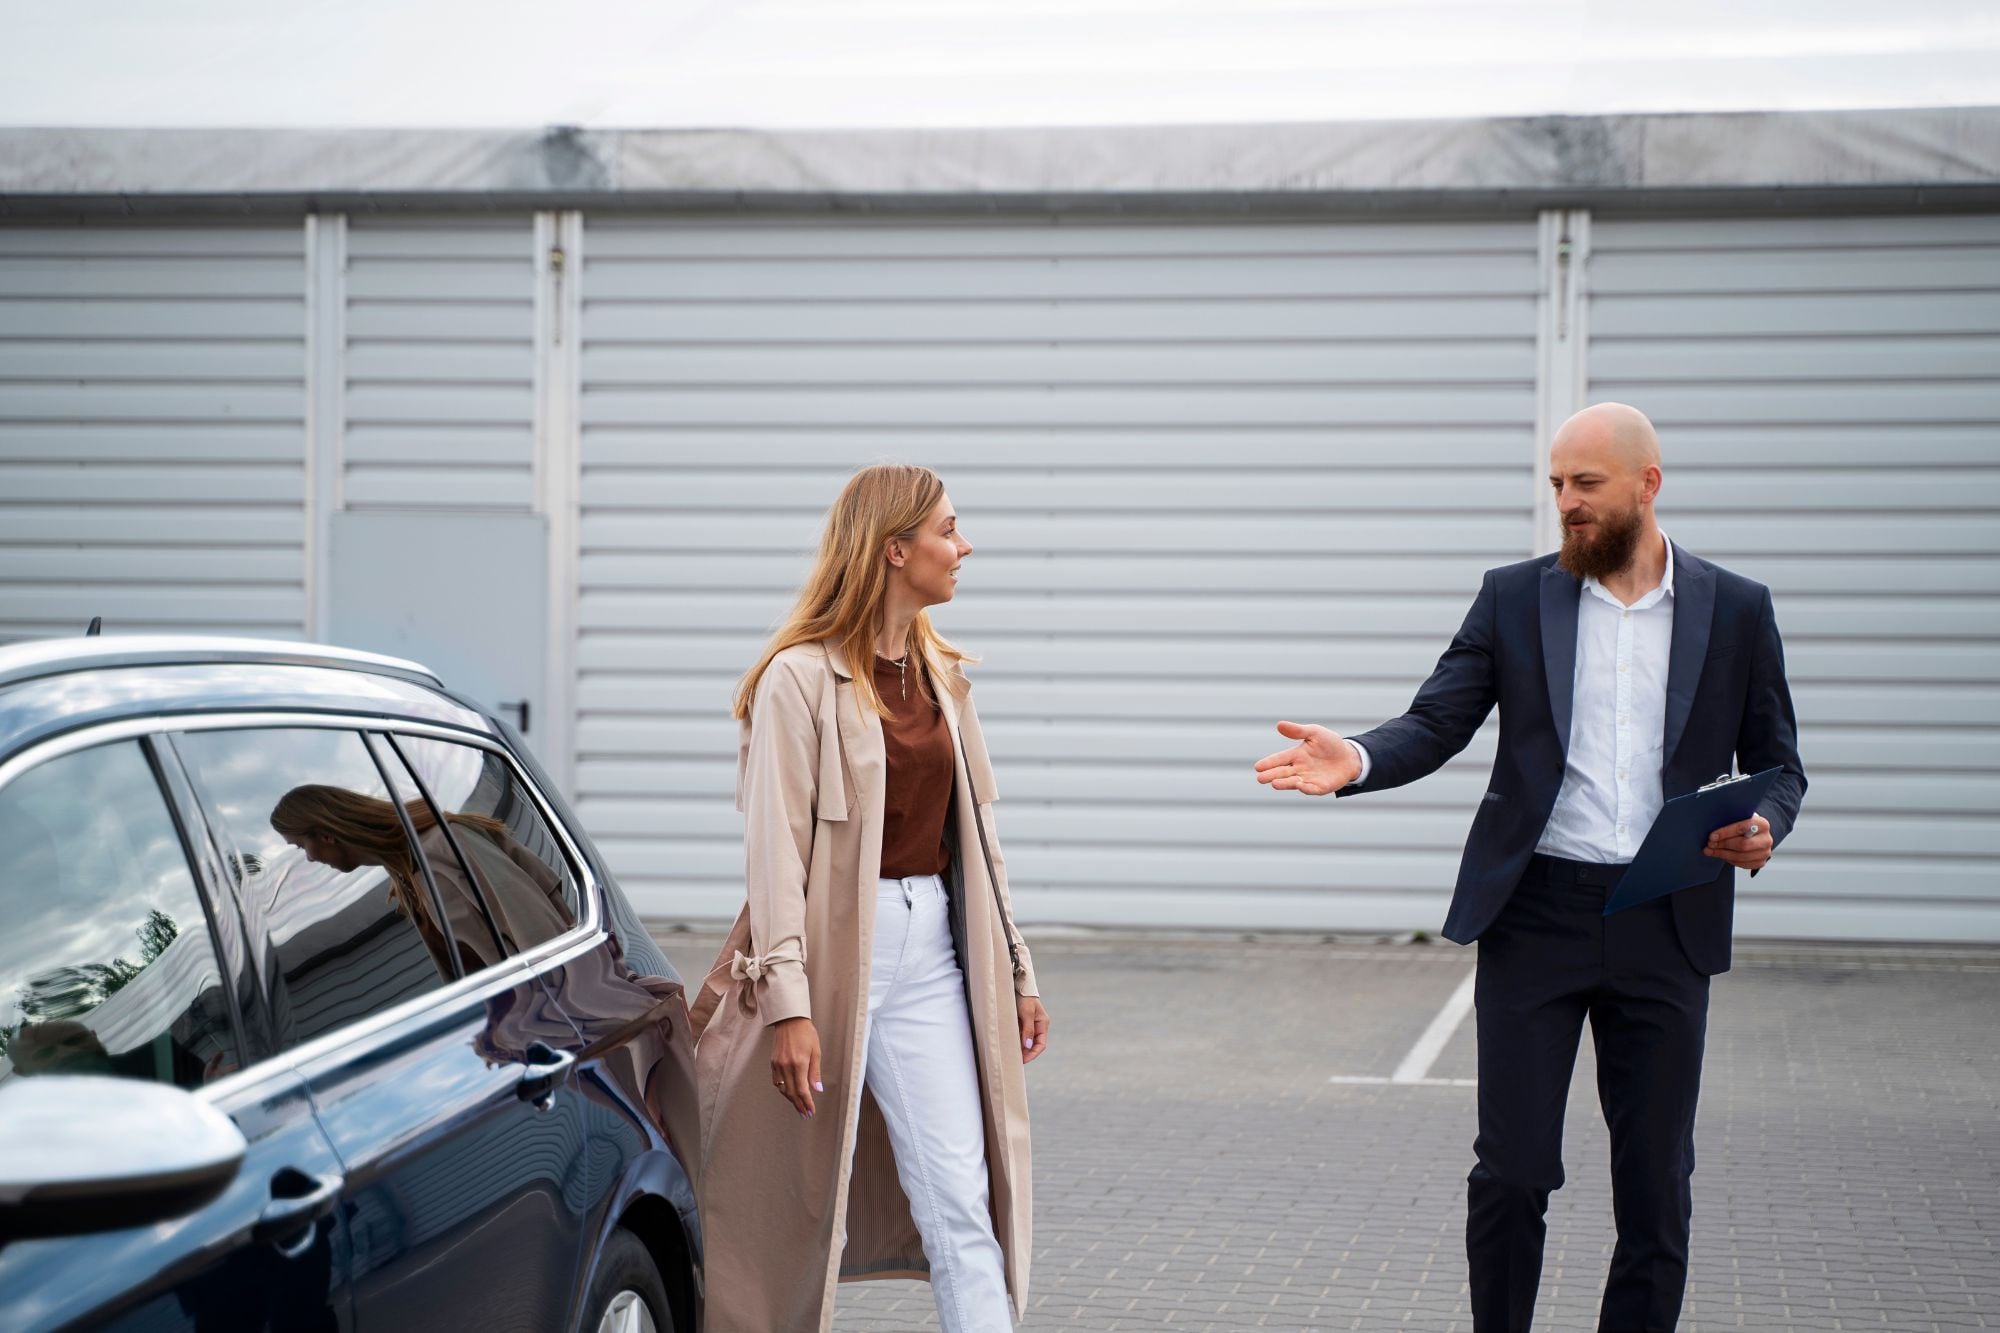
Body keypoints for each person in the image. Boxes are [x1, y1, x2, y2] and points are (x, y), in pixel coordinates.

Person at [1255, 403, 1807, 1332]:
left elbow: (1781, 763)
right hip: (1537, 913)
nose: (1567, 503)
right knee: (1510, 1173)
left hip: (1667, 916)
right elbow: (1436, 721)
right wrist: (1355, 756)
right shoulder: (1516, 597)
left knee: (1656, 1182)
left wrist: (1763, 823)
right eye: (1556, 484)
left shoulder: (1737, 607)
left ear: (1647, 483)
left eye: (1586, 483)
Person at [689, 463, 1050, 1333]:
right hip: (830, 954)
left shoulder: (940, 676)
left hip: (933, 951)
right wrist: (788, 1003)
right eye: (948, 531)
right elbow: (774, 853)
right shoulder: (798, 679)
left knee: (962, 1197)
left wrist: (1018, 967)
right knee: (794, 1207)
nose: (964, 547)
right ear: (895, 551)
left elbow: (981, 843)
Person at [271, 785, 572, 978]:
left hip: (565, 1027)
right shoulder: (405, 875)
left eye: (300, 846)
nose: (308, 858)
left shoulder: (448, 844)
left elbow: (543, 938)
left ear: (326, 834)